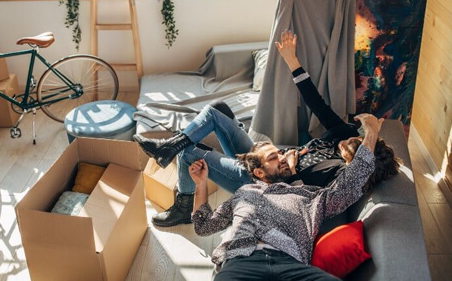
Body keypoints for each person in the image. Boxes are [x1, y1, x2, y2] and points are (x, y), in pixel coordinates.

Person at [134, 30, 400, 227]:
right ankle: (170, 147)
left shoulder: (340, 175)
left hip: (261, 179)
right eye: (353, 138)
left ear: (357, 161)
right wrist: (292, 61)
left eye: (351, 147)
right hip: (266, 160)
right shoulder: (343, 136)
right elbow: (316, 104)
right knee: (218, 109)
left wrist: (293, 168)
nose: (345, 141)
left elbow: (296, 197)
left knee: (189, 152)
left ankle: (183, 204)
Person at [189, 112, 381, 281]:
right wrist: (201, 184)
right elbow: (203, 227)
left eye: (280, 153)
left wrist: (371, 133)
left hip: (291, 264)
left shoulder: (311, 196)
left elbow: (351, 183)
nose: (283, 157)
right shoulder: (242, 194)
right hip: (241, 261)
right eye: (273, 158)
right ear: (259, 173)